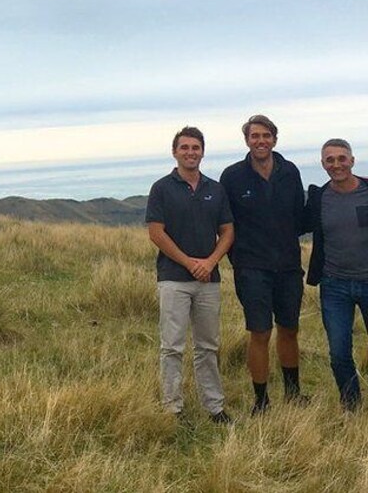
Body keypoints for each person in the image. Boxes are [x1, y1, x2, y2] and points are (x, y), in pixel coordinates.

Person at [219, 115, 310, 415]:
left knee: (289, 329)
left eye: (266, 135)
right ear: (246, 140)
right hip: (251, 268)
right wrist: (239, 261)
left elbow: (298, 215)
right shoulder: (232, 177)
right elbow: (224, 223)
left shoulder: (290, 171)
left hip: (287, 266)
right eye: (255, 136)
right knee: (259, 333)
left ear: (274, 139)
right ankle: (261, 400)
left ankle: (294, 393)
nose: (261, 141)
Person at [146, 126, 234, 423]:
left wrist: (209, 262)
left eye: (195, 148)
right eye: (184, 147)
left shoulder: (215, 189)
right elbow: (156, 233)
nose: (190, 152)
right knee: (172, 346)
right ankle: (173, 408)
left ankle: (215, 407)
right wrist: (189, 262)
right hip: (173, 279)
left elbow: (227, 231)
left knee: (208, 346)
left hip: (208, 280)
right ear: (175, 152)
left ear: (203, 152)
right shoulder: (161, 188)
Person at [305, 138, 368, 410]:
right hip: (334, 285)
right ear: (322, 164)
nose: (336, 164)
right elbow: (289, 224)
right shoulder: (319, 197)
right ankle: (351, 405)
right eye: (330, 160)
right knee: (339, 353)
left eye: (342, 158)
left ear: (352, 160)